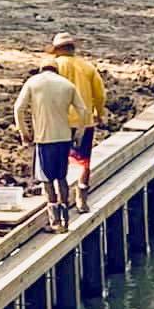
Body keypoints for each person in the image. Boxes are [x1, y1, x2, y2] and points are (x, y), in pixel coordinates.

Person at [14, 60, 86, 233]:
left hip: (44, 139)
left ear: (41, 69)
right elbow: (83, 110)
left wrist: (24, 133)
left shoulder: (33, 82)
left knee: (47, 181)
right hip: (63, 138)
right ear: (56, 70)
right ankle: (65, 219)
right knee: (61, 178)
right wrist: (78, 134)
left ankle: (55, 222)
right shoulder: (67, 85)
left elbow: (18, 108)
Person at [49, 31, 106, 213]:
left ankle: (61, 199)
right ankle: (81, 198)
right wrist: (98, 112)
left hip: (60, 121)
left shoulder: (54, 67)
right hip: (83, 120)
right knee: (83, 160)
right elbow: (100, 94)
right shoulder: (87, 67)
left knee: (60, 159)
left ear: (56, 50)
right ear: (73, 49)